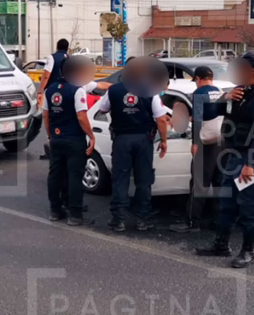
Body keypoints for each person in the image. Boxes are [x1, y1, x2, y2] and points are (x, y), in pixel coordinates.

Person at [196, 53, 254, 268]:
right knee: (227, 202)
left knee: (249, 205)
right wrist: (224, 98)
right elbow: (206, 114)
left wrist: (250, 165)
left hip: (252, 159)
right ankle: (221, 244)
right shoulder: (238, 94)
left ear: (252, 71)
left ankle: (249, 250)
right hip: (233, 155)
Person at [100, 58, 169, 232]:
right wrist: (164, 140)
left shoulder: (113, 90)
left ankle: (119, 219)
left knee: (120, 179)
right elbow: (161, 119)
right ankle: (142, 220)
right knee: (143, 180)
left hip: (122, 140)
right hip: (143, 140)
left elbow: (102, 109)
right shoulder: (150, 90)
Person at [43, 55, 97, 226]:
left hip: (57, 139)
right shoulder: (77, 89)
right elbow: (81, 116)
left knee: (55, 175)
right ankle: (74, 214)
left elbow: (45, 114)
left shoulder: (50, 89)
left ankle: (55, 210)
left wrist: (50, 134)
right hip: (74, 139)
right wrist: (91, 135)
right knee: (75, 176)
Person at [171, 66, 224, 233]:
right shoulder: (221, 92)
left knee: (199, 184)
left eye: (196, 81)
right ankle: (217, 220)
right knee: (218, 183)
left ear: (199, 79)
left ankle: (193, 222)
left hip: (206, 144)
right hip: (221, 143)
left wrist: (195, 143)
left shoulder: (199, 94)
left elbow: (199, 119)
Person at [38, 39, 72, 160]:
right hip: (68, 92)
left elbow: (46, 75)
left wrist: (40, 91)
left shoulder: (52, 58)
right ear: (67, 48)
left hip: (53, 93)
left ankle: (52, 147)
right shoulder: (70, 59)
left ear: (57, 47)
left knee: (51, 118)